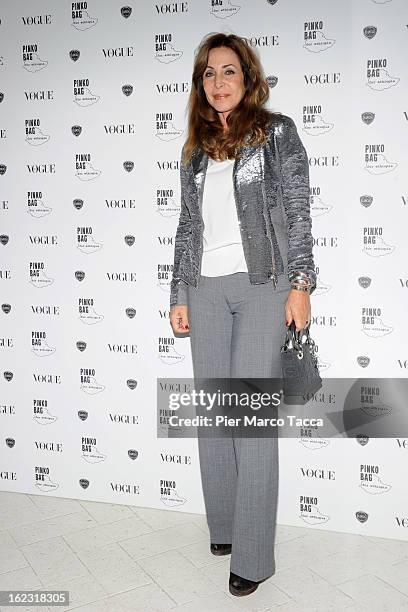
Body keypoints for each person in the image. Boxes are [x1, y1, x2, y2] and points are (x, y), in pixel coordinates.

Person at [169, 32, 316, 597]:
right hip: (204, 289)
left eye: (228, 71)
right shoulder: (194, 149)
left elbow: (299, 213)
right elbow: (187, 228)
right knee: (216, 416)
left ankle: (252, 558)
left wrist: (300, 284)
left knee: (250, 425)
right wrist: (178, 293)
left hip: (262, 287)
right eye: (208, 74)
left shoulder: (276, 133)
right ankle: (225, 527)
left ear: (247, 77)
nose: (218, 83)